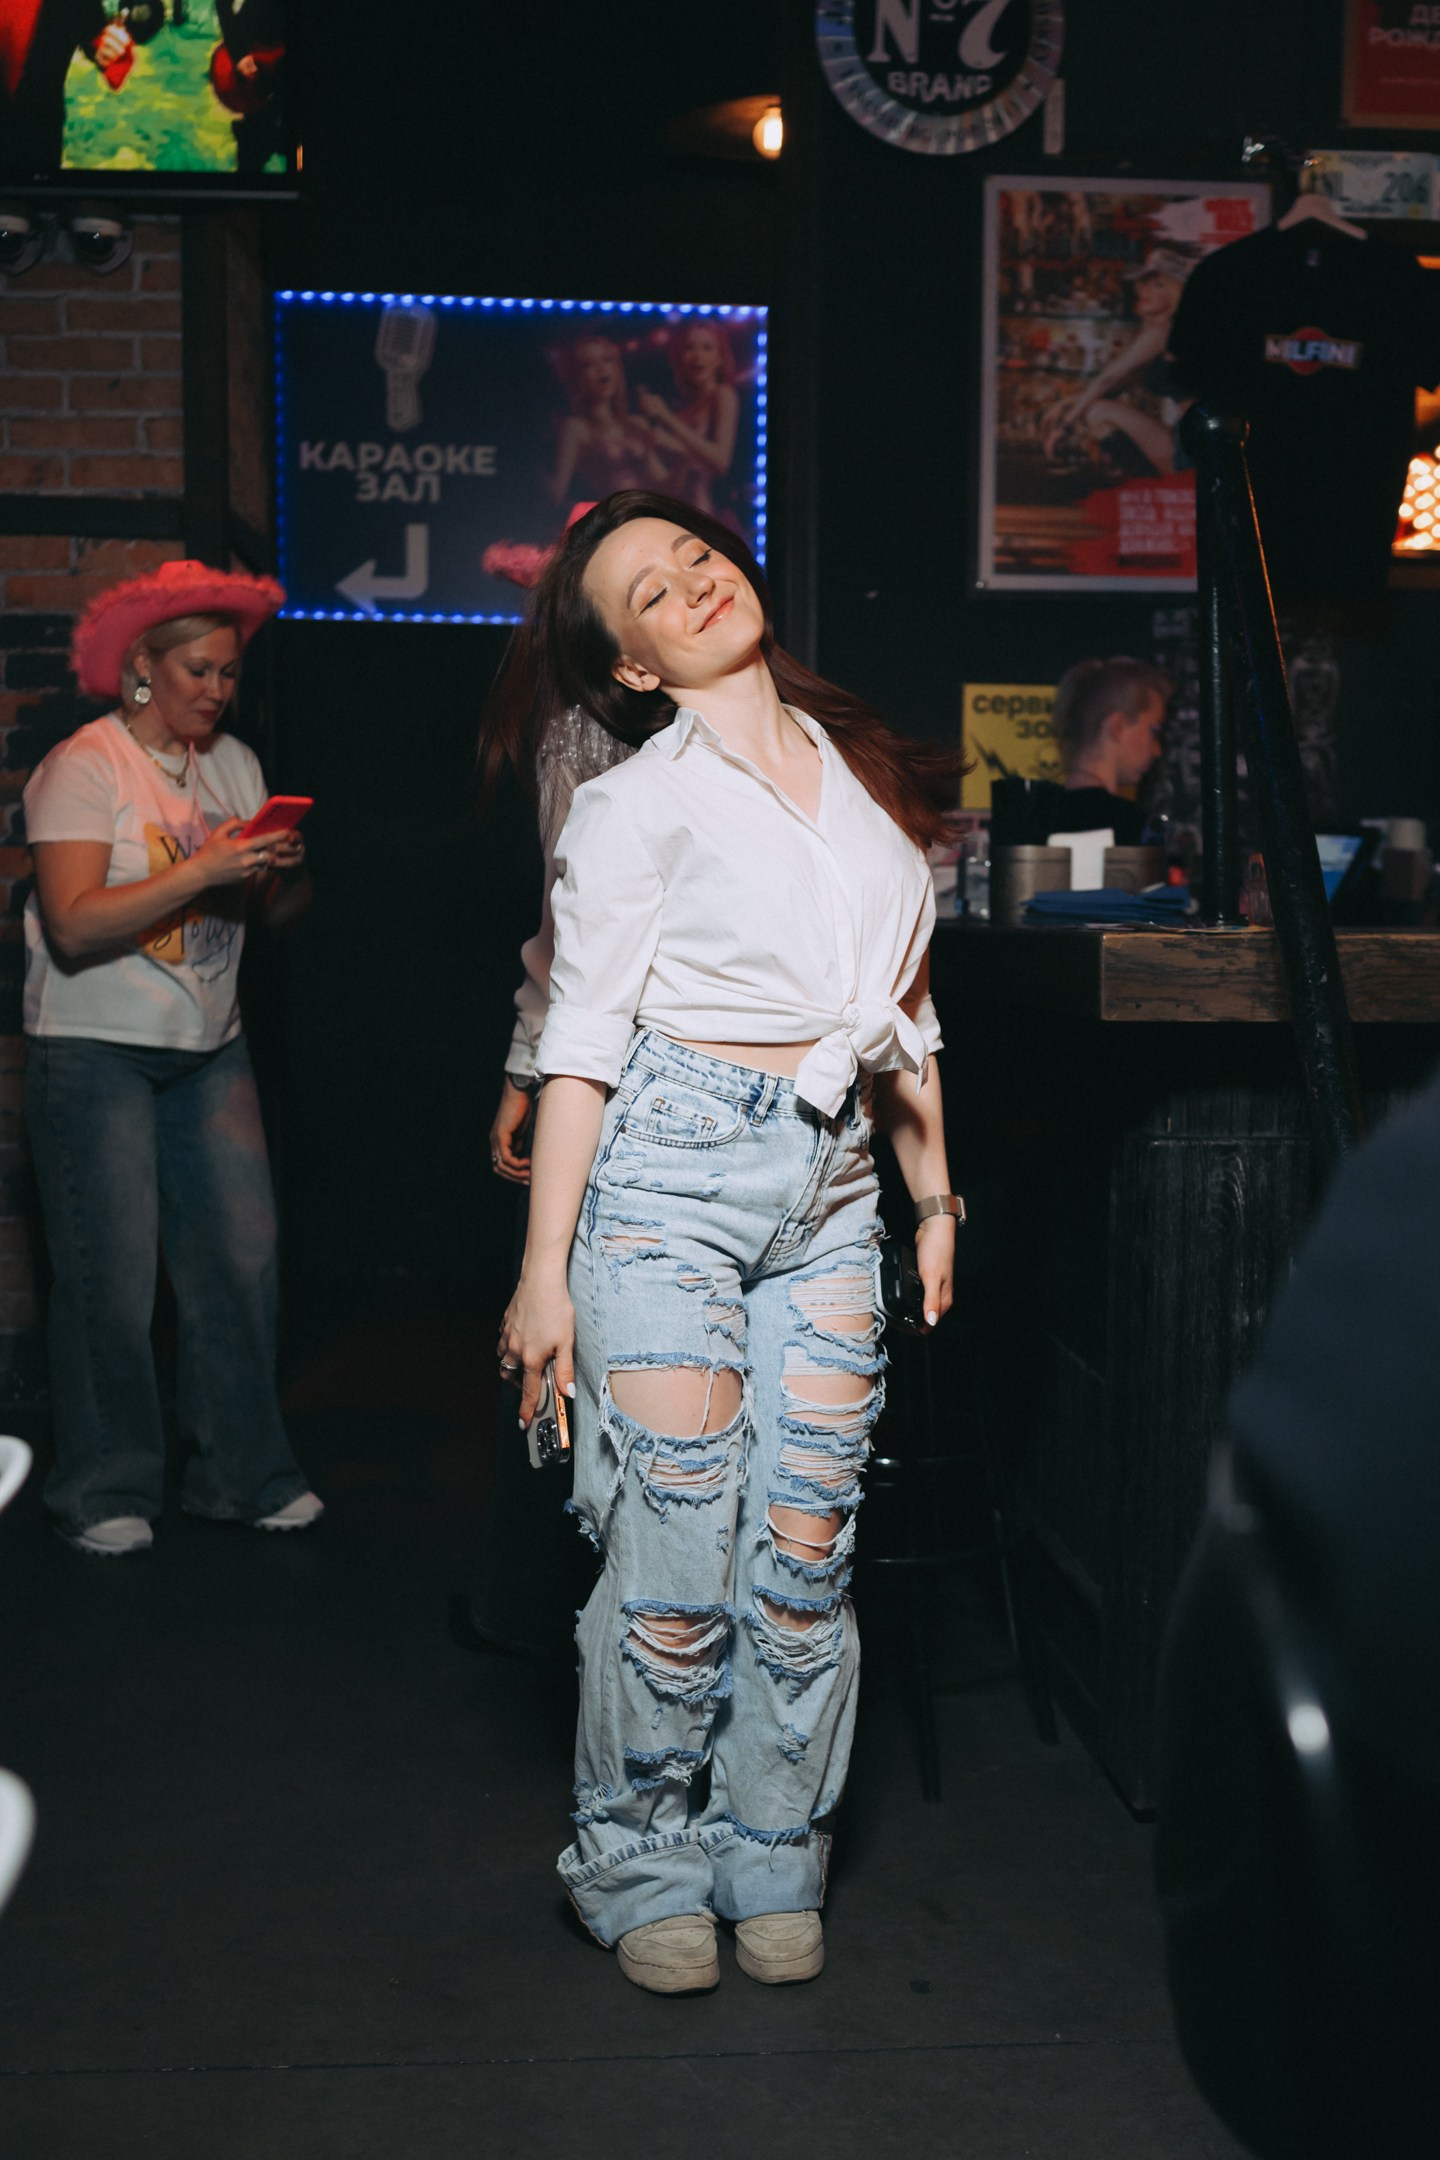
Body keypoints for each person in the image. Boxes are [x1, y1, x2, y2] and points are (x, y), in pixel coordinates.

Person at [484, 489, 962, 1996]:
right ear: (633, 666)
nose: (691, 581)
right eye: (649, 590)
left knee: (808, 1548)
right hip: (671, 1180)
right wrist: (544, 1273)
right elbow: (583, 1042)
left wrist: (935, 1200)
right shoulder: (634, 805)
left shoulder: (854, 772)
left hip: (835, 1191)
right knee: (678, 1549)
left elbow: (904, 1017)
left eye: (695, 554)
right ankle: (638, 1857)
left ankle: (773, 1847)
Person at [24, 558, 321, 1556]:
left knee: (241, 1263)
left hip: (209, 1045)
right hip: (95, 1049)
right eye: (198, 670)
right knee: (107, 1280)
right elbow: (73, 924)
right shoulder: (86, 765)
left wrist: (278, 870)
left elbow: (274, 918)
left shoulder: (233, 765)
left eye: (229, 673)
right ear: (142, 669)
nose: (217, 689)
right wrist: (205, 867)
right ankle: (103, 1490)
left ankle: (242, 1477)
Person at [1042, 246, 1197, 476]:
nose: (1145, 291)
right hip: (1190, 440)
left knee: (1097, 413)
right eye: (1144, 283)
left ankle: (1142, 484)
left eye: (1158, 285)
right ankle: (1138, 484)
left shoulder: (1164, 332)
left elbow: (1108, 378)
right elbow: (1121, 382)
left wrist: (1065, 425)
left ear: (1176, 292)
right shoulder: (1170, 331)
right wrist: (1071, 403)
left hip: (1191, 449)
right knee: (1097, 414)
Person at [1046, 654, 1170, 844]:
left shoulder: (1033, 821)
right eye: (1154, 731)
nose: (1157, 750)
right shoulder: (1132, 826)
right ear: (1117, 726)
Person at [636, 324, 741, 522]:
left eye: (707, 348)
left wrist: (667, 418)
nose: (698, 356)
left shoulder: (722, 395)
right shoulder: (682, 411)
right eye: (689, 348)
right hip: (679, 517)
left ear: (720, 357)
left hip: (711, 516)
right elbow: (669, 483)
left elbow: (721, 461)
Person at [548, 338, 665, 512]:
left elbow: (664, 486)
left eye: (607, 360)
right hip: (613, 523)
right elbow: (557, 495)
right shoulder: (575, 428)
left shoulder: (636, 423)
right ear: (577, 376)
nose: (601, 368)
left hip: (651, 518)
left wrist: (685, 460)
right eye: (589, 364)